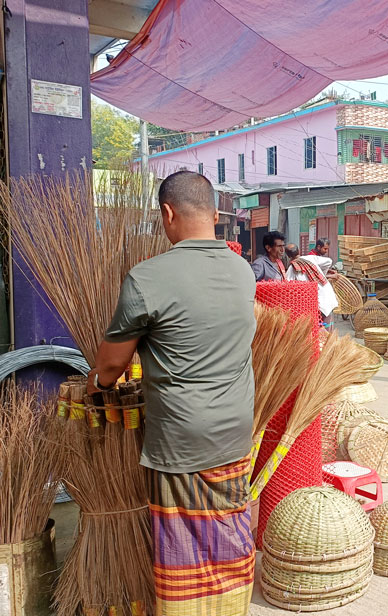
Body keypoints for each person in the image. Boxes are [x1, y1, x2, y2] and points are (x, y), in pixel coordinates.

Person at [87, 171, 256, 616]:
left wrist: (98, 387)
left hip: (183, 439)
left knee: (185, 553)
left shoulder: (148, 278)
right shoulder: (242, 270)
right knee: (227, 541)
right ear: (216, 214)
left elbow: (110, 365)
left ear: (167, 213)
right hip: (236, 430)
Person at [285, 244, 339, 325]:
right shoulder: (310, 258)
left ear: (288, 256)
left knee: (318, 330)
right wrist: (321, 274)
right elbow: (329, 261)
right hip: (327, 297)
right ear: (299, 251)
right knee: (328, 328)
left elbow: (287, 286)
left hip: (315, 303)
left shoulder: (292, 268)